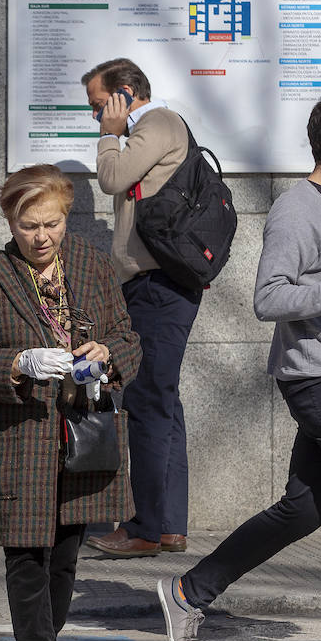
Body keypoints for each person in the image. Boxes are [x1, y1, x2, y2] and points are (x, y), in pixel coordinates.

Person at [156, 90, 321, 641]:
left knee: (303, 510)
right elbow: (268, 298)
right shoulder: (294, 209)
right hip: (318, 378)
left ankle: (188, 592)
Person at [0, 165, 141, 641]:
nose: (41, 237)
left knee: (66, 555)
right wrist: (18, 363)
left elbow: (127, 336)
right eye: (28, 226)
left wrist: (108, 354)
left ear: (66, 216)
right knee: (27, 557)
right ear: (10, 222)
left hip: (83, 433)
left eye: (51, 224)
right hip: (18, 437)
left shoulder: (92, 265)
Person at [82, 57, 200, 558]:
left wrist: (110, 133)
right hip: (155, 283)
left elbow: (112, 176)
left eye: (98, 106)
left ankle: (144, 528)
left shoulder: (158, 123)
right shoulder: (157, 128)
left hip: (158, 286)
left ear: (124, 94)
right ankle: (168, 524)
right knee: (162, 403)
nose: (96, 117)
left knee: (148, 404)